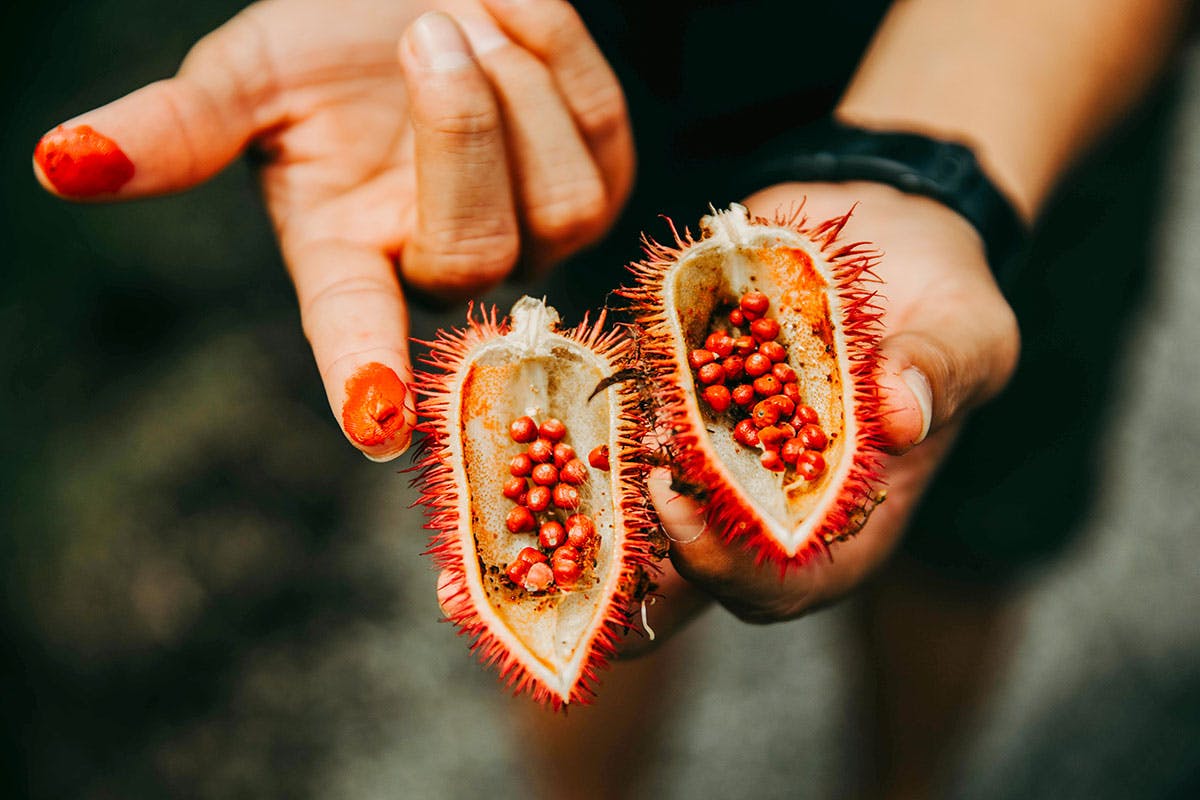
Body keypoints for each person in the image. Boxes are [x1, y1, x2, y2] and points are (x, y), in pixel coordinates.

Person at [33, 0, 1189, 796]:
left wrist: (938, 167)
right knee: (622, 536)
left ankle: (900, 787)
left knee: (977, 529)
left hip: (1032, 69)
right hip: (607, 77)